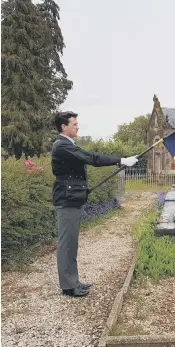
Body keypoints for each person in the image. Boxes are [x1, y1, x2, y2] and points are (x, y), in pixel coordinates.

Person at [52, 111, 138, 297]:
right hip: (67, 201)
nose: (77, 126)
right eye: (74, 124)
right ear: (63, 127)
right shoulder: (62, 146)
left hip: (72, 199)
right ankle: (68, 286)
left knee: (72, 243)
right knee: (67, 243)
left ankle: (73, 281)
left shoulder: (68, 145)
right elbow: (91, 158)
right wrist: (120, 160)